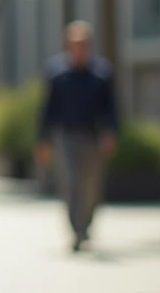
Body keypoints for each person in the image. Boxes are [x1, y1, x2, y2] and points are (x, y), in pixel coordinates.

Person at [36, 20, 119, 253]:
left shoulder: (102, 73)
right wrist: (43, 140)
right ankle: (76, 231)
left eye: (83, 43)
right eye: (75, 43)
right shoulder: (57, 73)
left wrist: (111, 133)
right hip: (66, 137)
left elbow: (111, 107)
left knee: (92, 186)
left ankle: (87, 223)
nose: (79, 48)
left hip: (93, 136)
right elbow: (47, 109)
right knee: (71, 183)